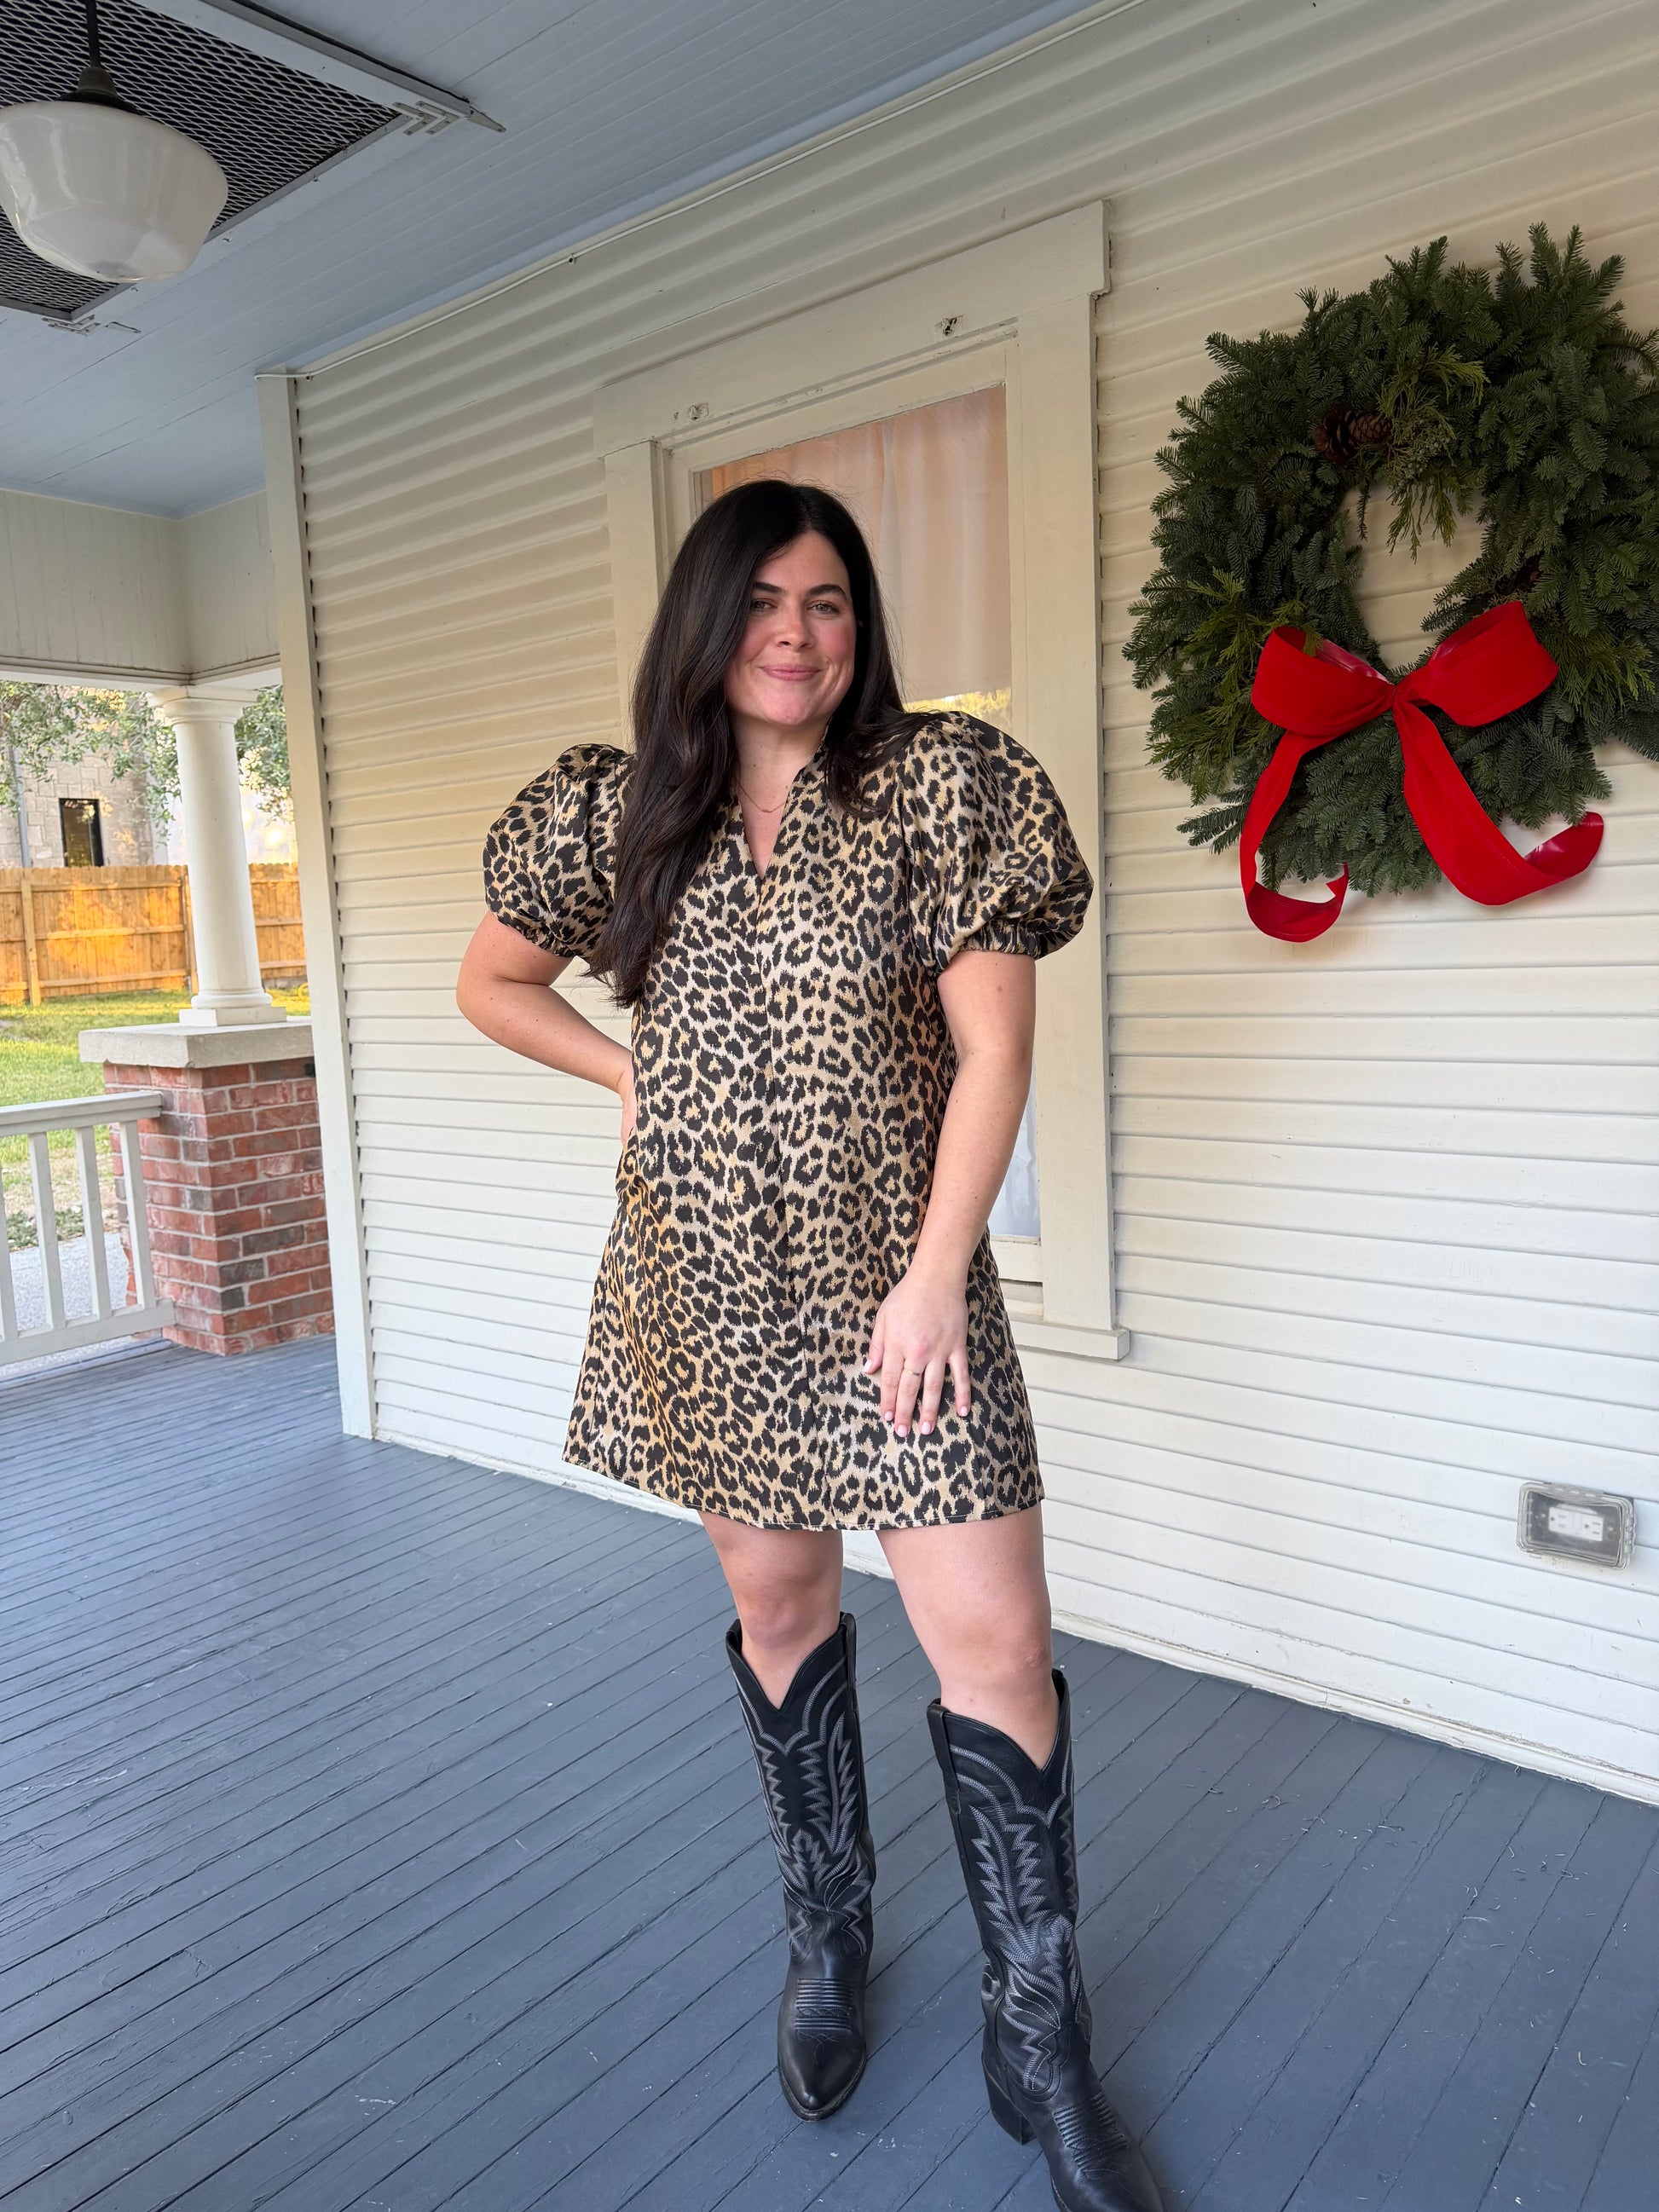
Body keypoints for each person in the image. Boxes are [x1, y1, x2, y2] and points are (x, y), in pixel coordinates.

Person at [456, 479, 1163, 2212]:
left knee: (994, 1642)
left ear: (863, 624)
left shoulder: (941, 787)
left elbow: (992, 1054)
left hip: (898, 1292)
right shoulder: (620, 809)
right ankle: (828, 1928)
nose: (796, 632)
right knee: (781, 1612)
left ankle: (1039, 2033)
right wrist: (630, 1071)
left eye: (828, 600)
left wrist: (932, 1279)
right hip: (707, 1285)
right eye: (763, 600)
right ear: (704, 624)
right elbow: (492, 981)